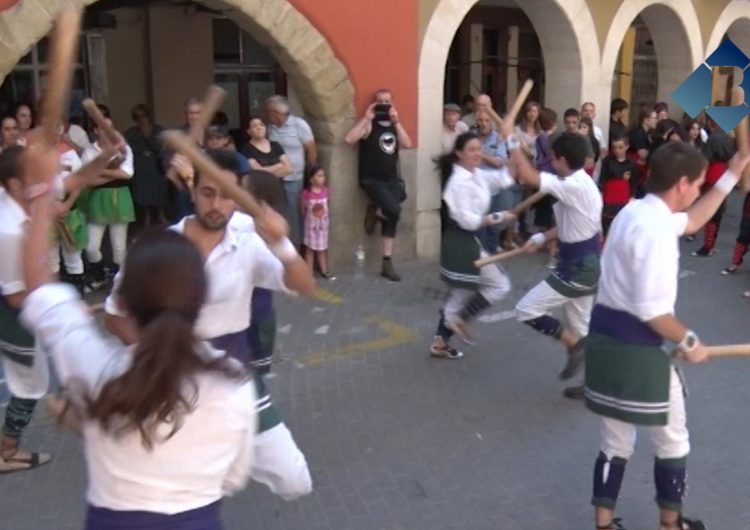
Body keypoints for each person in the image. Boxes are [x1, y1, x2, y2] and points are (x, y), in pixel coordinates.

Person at [18, 140, 259, 526]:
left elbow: (38, 288)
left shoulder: (96, 367)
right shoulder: (233, 384)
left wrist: (42, 193)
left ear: (125, 303)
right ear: (199, 301)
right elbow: (232, 477)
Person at [104, 149, 315, 502]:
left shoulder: (248, 236)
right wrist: (158, 358)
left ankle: (224, 457)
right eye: (207, 193)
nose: (217, 204)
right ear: (192, 190)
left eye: (227, 195)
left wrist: (281, 243)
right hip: (169, 376)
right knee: (175, 493)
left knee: (295, 479)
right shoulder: (159, 246)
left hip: (232, 371)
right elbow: (114, 316)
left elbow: (304, 286)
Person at [584, 142, 750, 530]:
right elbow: (652, 311)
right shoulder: (655, 230)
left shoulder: (635, 211)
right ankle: (670, 525)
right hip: (640, 352)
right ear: (681, 184)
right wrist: (691, 342)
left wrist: (731, 175)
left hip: (604, 342)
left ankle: (603, 525)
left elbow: (692, 221)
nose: (697, 192)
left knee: (615, 445)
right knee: (673, 442)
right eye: (697, 185)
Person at [511, 132, 603, 398]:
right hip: (584, 263)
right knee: (581, 327)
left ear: (562, 160)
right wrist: (540, 237)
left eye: (552, 158)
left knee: (526, 310)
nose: (550, 162)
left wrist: (510, 142)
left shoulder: (574, 184)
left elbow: (528, 176)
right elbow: (571, 226)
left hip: (578, 267)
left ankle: (574, 346)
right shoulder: (576, 183)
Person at [430, 131, 516, 359]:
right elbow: (468, 221)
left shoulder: (477, 174)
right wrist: (498, 218)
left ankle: (440, 342)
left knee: (461, 294)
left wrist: (513, 143)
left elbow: (506, 178)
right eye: (472, 150)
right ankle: (460, 320)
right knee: (499, 285)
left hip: (469, 240)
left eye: (479, 149)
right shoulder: (457, 183)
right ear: (459, 153)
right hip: (461, 241)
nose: (477, 154)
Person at [0, 146, 51, 474]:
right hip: (12, 316)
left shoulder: (17, 204)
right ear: (16, 184)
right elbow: (15, 295)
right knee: (30, 384)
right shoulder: (9, 230)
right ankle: (7, 451)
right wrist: (57, 308)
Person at [345, 88, 413, 281]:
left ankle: (387, 261)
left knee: (391, 216)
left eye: (387, 101)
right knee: (394, 209)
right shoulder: (369, 125)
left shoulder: (393, 124)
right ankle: (377, 211)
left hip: (391, 180)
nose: (383, 104)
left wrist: (396, 121)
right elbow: (349, 139)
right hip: (371, 180)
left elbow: (407, 143)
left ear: (393, 103)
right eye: (380, 101)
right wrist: (366, 118)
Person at [80, 106, 135, 289]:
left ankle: (120, 285)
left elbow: (128, 173)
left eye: (111, 128)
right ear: (96, 130)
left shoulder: (124, 148)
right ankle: (100, 274)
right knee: (91, 247)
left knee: (119, 248)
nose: (108, 132)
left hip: (120, 198)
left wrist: (101, 170)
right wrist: (112, 171)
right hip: (97, 199)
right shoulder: (90, 151)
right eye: (103, 128)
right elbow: (87, 179)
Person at [244, 169, 287, 375]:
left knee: (255, 382)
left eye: (243, 189)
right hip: (242, 316)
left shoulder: (266, 229)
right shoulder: (242, 223)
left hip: (256, 316)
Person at [265, 95, 317, 246]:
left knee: (294, 215)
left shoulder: (299, 125)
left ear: (275, 112)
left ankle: (295, 248)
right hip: (275, 178)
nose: (267, 115)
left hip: (294, 178)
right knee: (278, 212)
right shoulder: (270, 127)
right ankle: (280, 245)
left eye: (268, 112)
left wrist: (310, 174)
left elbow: (311, 151)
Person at [691, 116, 734, 257]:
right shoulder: (729, 138)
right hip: (725, 174)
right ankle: (711, 245)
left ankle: (707, 246)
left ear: (712, 123)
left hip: (713, 174)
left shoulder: (713, 138)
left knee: (709, 209)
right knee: (718, 211)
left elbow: (705, 159)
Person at [124, 104, 167, 228]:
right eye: (137, 117)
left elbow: (163, 147)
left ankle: (161, 214)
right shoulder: (131, 132)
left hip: (156, 165)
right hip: (140, 166)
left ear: (149, 116)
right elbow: (126, 147)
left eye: (143, 116)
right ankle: (146, 215)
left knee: (159, 189)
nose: (141, 119)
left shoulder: (159, 130)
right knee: (142, 191)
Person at [475, 110, 509, 254]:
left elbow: (499, 162)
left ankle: (491, 257)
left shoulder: (498, 139)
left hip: (492, 191)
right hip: (475, 189)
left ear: (492, 123)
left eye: (487, 120)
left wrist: (481, 154)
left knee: (492, 226)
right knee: (478, 226)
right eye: (481, 120)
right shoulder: (471, 138)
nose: (483, 123)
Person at [533, 107, 560, 269]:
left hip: (544, 177)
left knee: (544, 211)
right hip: (550, 178)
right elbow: (550, 156)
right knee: (550, 213)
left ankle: (544, 242)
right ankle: (549, 246)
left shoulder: (540, 137)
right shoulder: (547, 138)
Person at [598, 135, 639, 237]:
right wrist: (600, 194)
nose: (617, 150)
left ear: (627, 146)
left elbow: (634, 182)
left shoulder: (631, 163)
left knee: (622, 224)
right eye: (615, 147)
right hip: (609, 196)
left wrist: (632, 196)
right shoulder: (607, 161)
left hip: (623, 197)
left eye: (620, 147)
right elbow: (602, 178)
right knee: (607, 223)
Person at [301, 163, 333, 279]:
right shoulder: (306, 194)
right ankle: (309, 273)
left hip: (323, 226)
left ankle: (324, 270)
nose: (322, 178)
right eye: (319, 176)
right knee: (310, 249)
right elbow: (303, 209)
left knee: (322, 248)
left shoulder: (326, 191)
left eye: (323, 176)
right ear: (311, 179)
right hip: (310, 226)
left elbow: (327, 206)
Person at [628, 106, 657, 196]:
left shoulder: (647, 133)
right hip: (636, 172)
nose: (656, 120)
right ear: (645, 120)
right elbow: (643, 155)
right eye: (654, 118)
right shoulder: (638, 134)